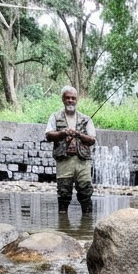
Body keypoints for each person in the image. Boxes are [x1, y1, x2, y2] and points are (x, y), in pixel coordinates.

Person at [45, 85, 96, 215]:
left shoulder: (86, 119)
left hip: (82, 162)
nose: (70, 101)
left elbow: (92, 140)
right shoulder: (55, 116)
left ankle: (87, 221)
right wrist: (63, 133)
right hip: (64, 161)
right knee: (63, 194)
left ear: (77, 100)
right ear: (63, 99)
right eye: (67, 98)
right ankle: (63, 222)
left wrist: (79, 135)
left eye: (73, 98)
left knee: (86, 193)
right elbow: (48, 135)